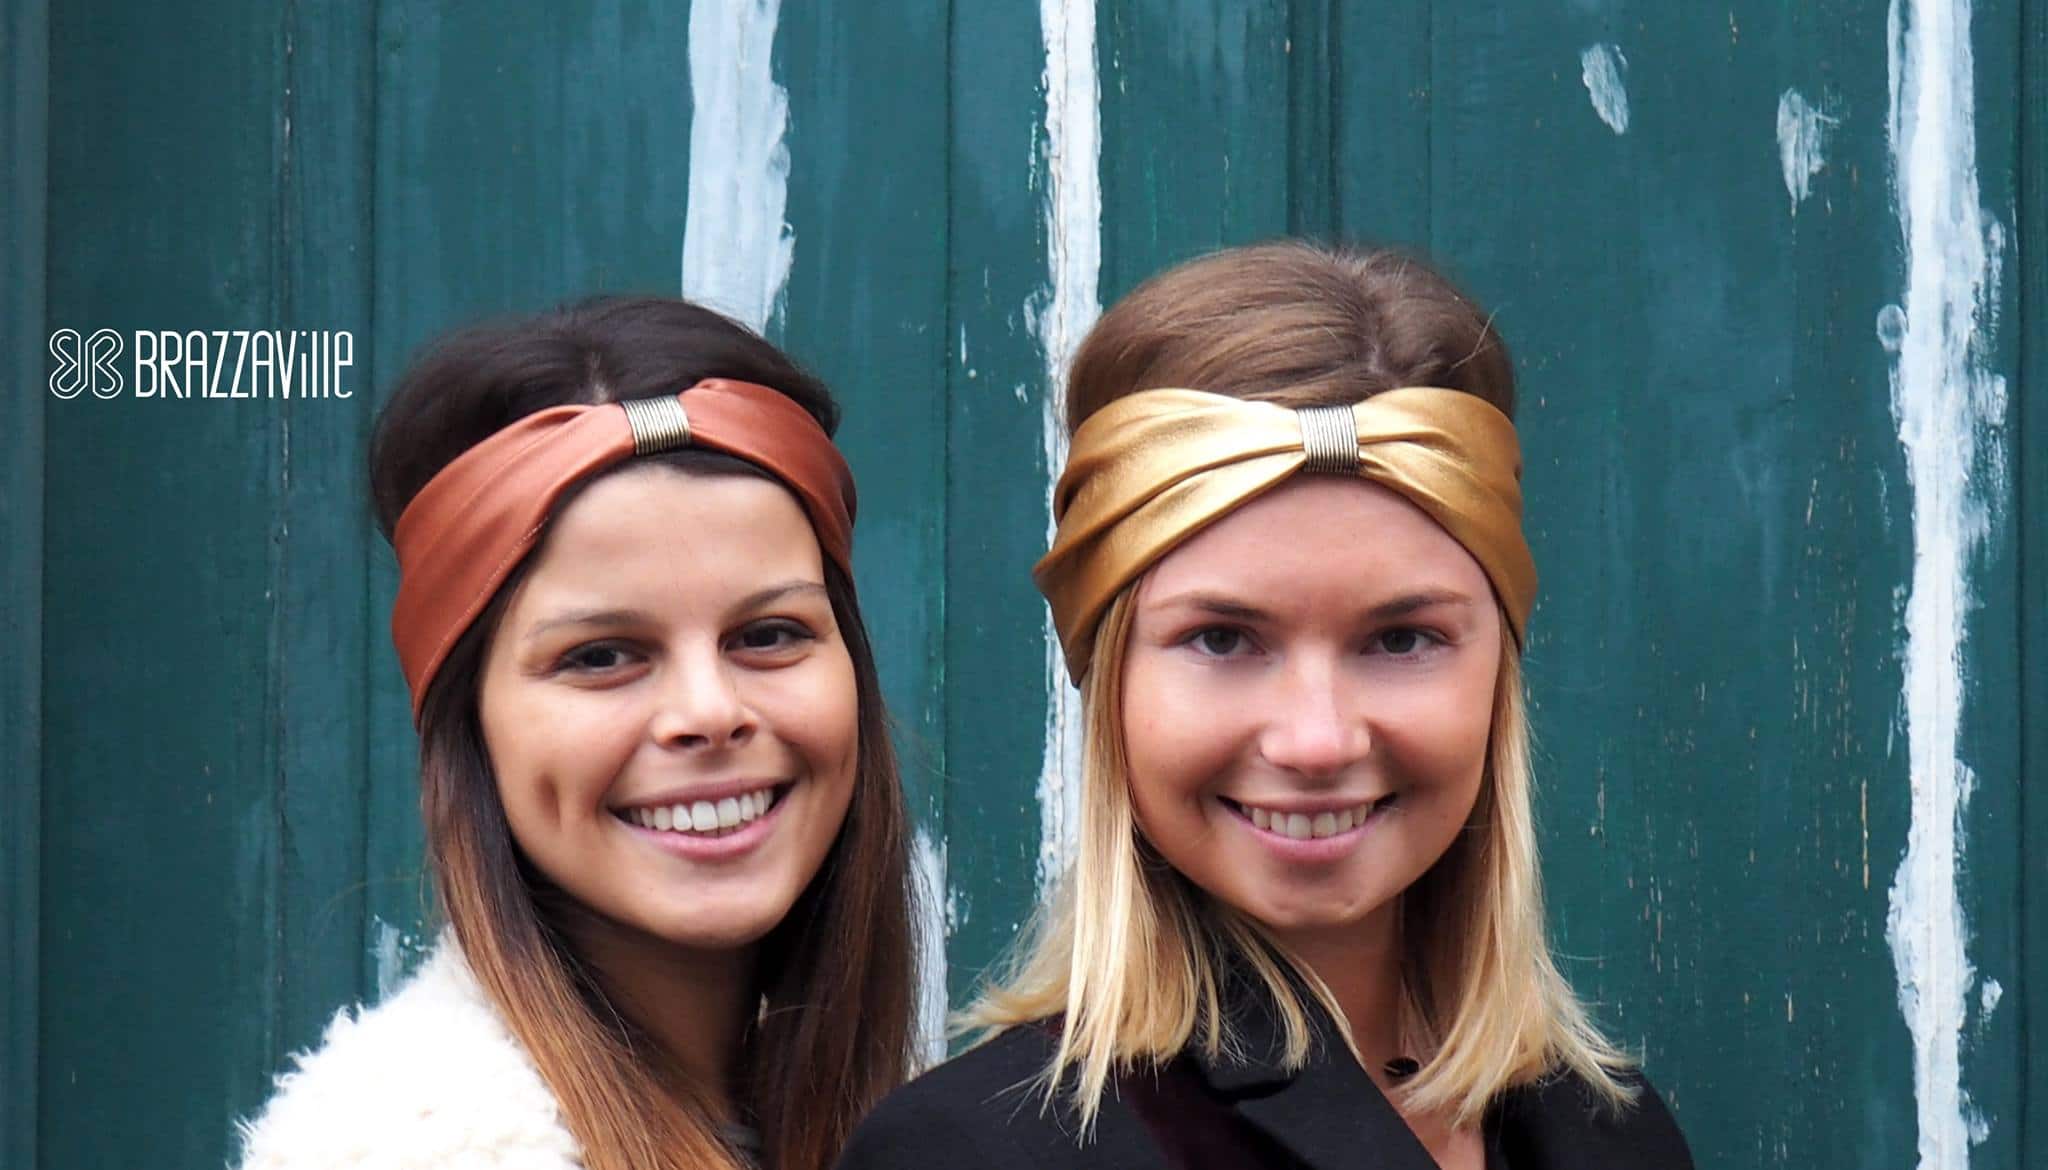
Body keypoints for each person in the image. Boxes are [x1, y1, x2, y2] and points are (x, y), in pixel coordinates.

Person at [835, 242, 1693, 1169]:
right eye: (1222, 639)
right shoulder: (976, 1151)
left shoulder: (1614, 1134)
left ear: (1499, 668)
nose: (1317, 740)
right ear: (1108, 675)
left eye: (1401, 639)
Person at [235, 297, 916, 1170]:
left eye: (769, 634)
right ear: (469, 722)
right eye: (600, 656)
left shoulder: (909, 1123)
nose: (709, 711)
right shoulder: (399, 1150)